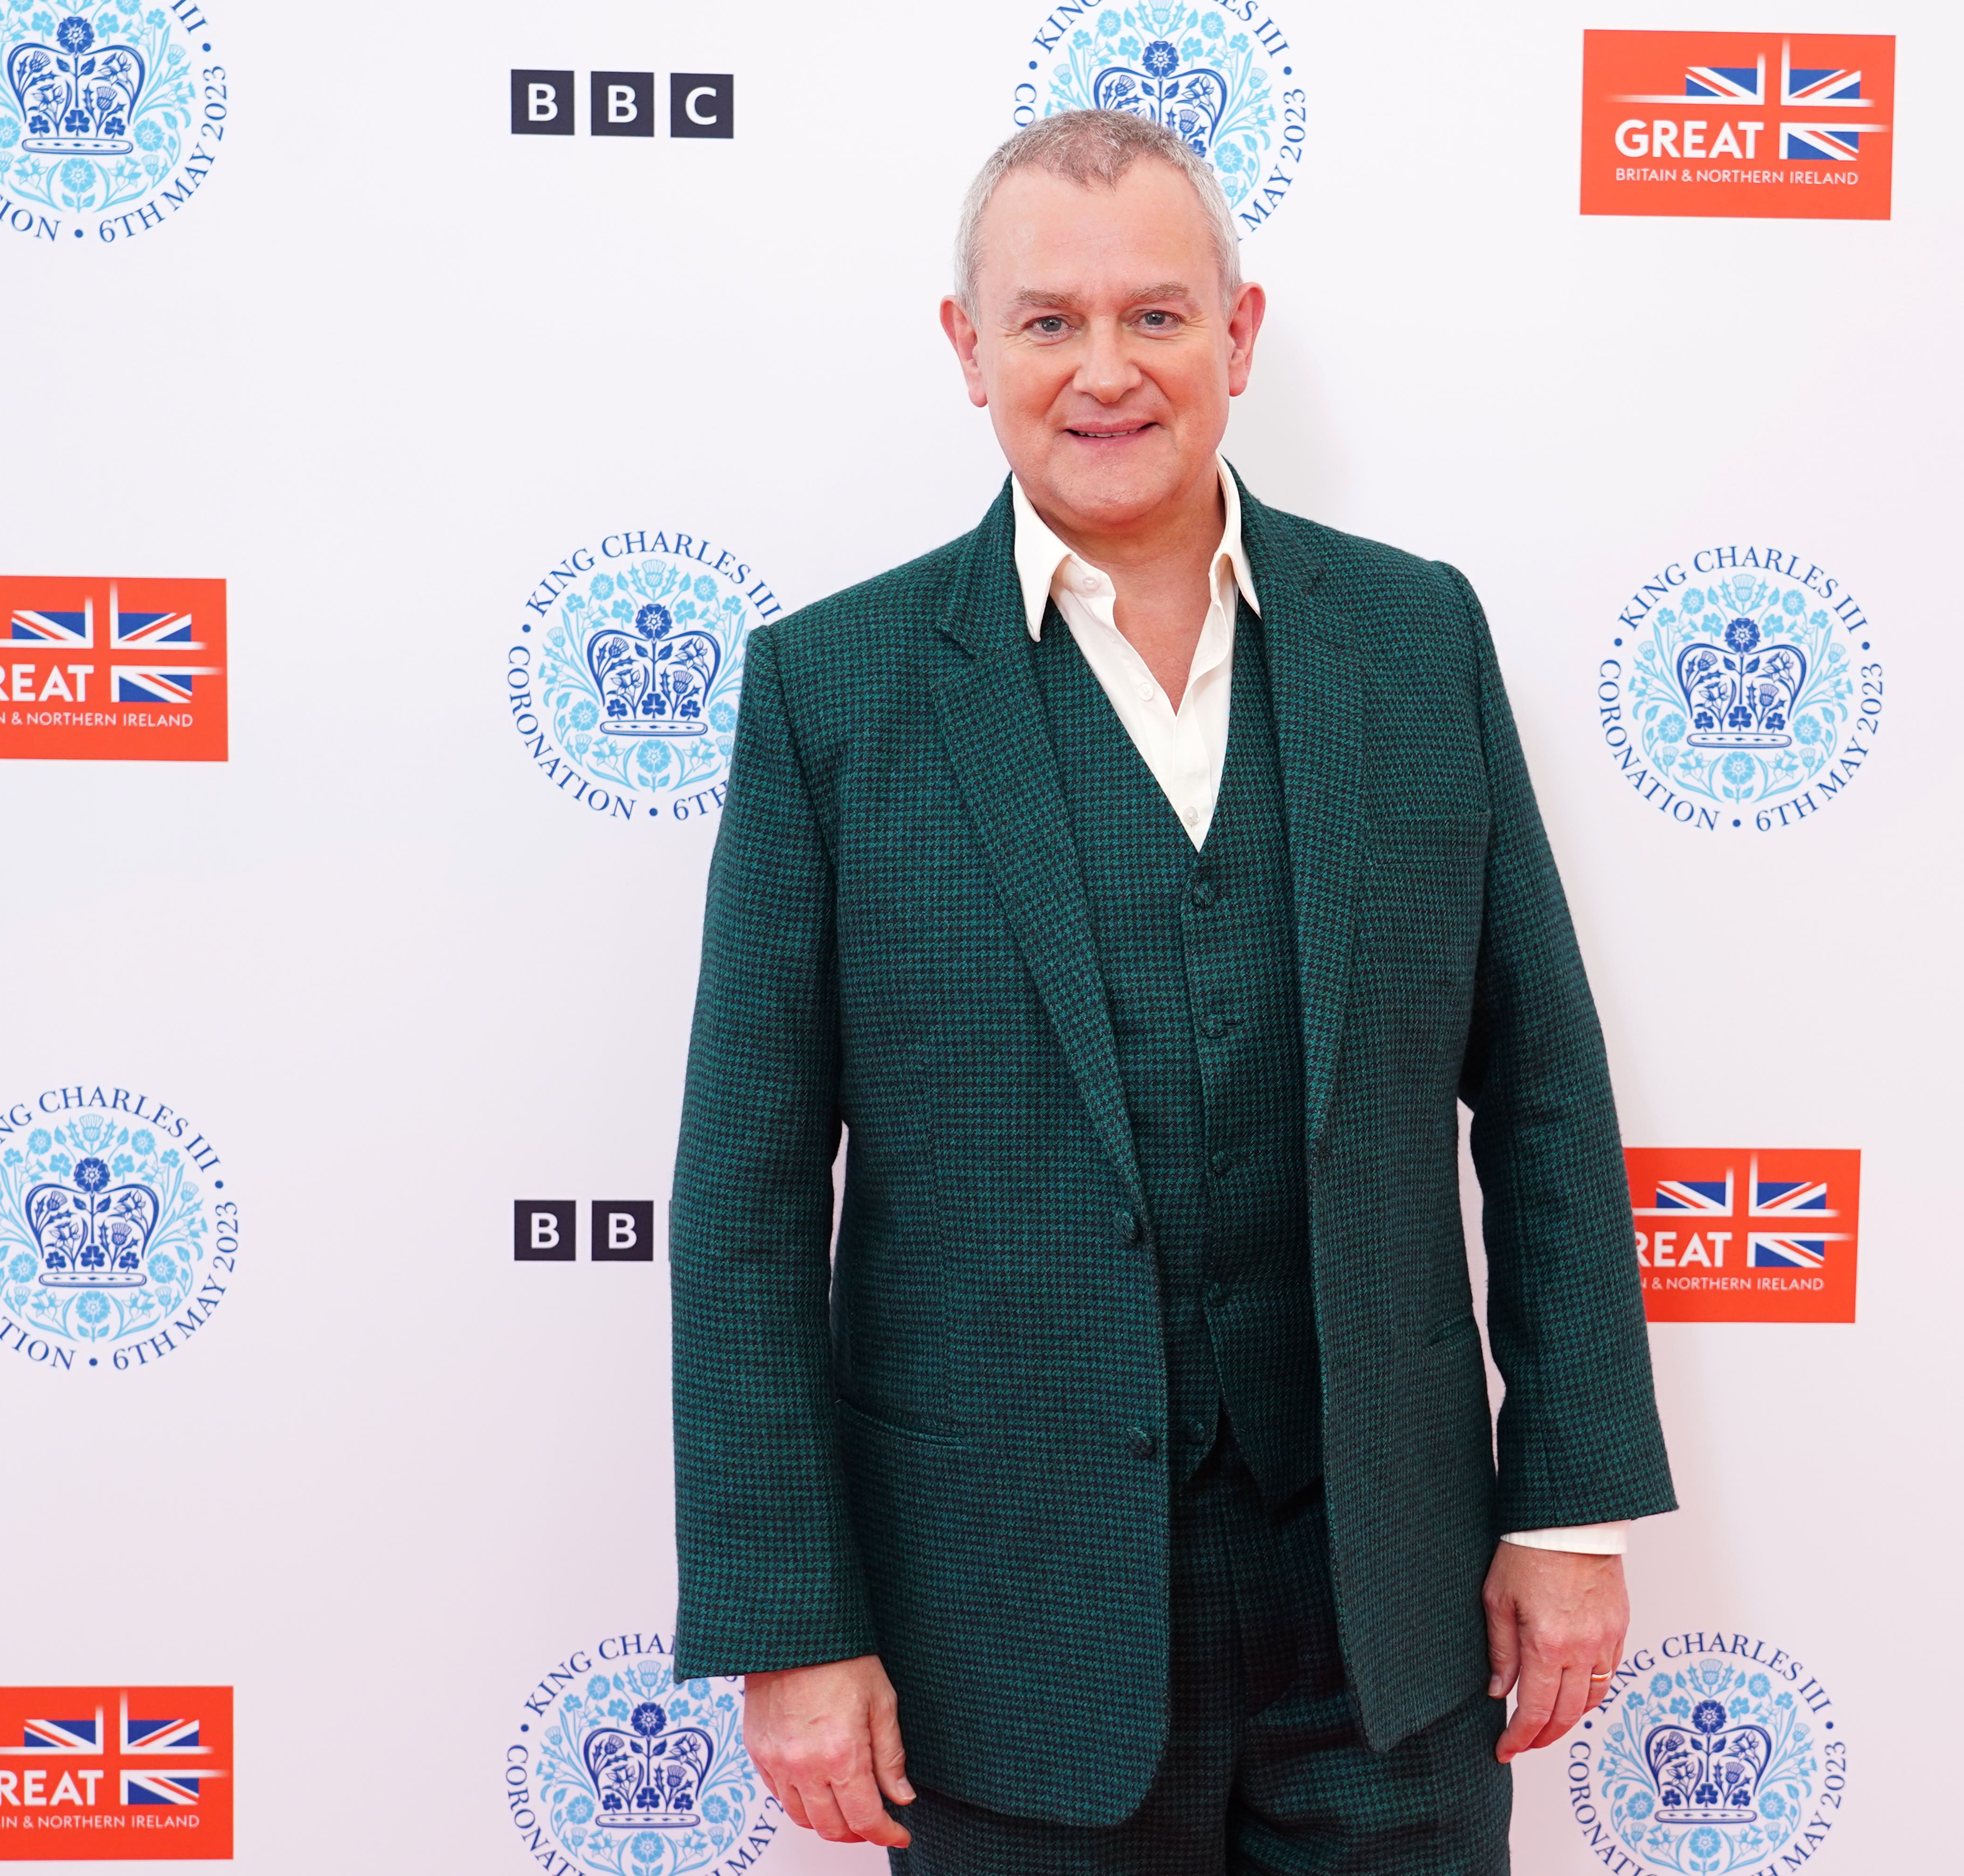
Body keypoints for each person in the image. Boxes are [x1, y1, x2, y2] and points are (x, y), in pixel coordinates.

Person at [669, 109, 1673, 1874]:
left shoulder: (1414, 638)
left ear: (1243, 332)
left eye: (1156, 313)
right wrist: (793, 1623)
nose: (1105, 369)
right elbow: (747, 1204)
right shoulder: (832, 694)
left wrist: (1572, 1507)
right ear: (967, 351)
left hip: (1391, 1621)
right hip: (1000, 1635)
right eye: (1047, 321)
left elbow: (1540, 1094)